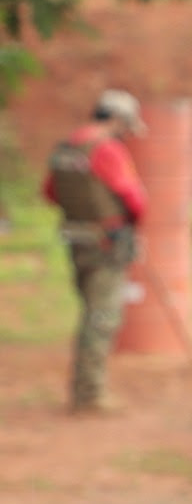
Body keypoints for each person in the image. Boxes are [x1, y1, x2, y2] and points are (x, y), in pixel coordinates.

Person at [42, 89, 148, 413]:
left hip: (76, 241)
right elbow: (134, 197)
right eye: (126, 126)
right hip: (106, 245)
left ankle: (84, 389)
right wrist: (132, 222)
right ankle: (90, 395)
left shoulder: (69, 146)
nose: (127, 134)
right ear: (116, 119)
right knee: (102, 317)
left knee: (91, 313)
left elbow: (49, 192)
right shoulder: (108, 149)